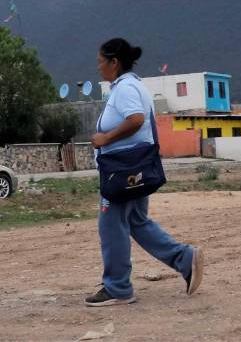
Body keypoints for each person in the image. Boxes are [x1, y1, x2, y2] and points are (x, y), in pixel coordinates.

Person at [85, 37, 205, 306]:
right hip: (133, 166)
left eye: (100, 62)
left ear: (114, 62)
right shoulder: (133, 85)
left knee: (111, 225)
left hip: (123, 170)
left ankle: (117, 288)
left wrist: (106, 138)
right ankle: (185, 259)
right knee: (137, 222)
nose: (98, 67)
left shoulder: (125, 89)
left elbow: (136, 119)